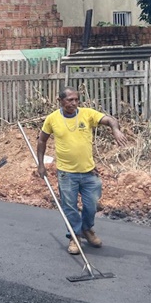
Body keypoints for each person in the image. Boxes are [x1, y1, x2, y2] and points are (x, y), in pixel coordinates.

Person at [36, 87, 128, 255]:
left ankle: (87, 229)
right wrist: (40, 164)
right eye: (70, 100)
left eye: (76, 100)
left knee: (91, 205)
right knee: (70, 207)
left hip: (89, 173)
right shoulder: (52, 119)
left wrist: (115, 129)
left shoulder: (87, 114)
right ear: (60, 101)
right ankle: (75, 236)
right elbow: (42, 141)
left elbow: (110, 120)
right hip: (66, 173)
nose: (74, 103)